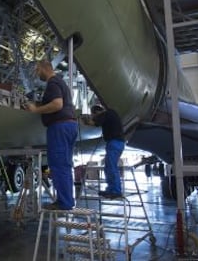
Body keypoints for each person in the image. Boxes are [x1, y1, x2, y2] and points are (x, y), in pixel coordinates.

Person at [27, 60, 78, 210]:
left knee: (58, 164)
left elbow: (57, 104)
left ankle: (64, 202)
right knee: (65, 165)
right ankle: (67, 200)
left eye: (37, 70)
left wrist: (36, 110)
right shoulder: (60, 82)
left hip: (59, 127)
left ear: (44, 68)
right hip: (69, 126)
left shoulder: (53, 83)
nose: (37, 74)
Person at [87, 105, 125, 199]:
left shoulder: (107, 113)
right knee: (108, 167)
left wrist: (85, 120)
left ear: (96, 112)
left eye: (94, 115)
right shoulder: (110, 114)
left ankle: (116, 191)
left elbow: (94, 123)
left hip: (115, 143)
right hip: (114, 143)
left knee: (111, 167)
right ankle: (111, 189)